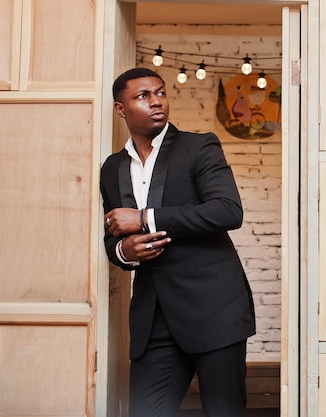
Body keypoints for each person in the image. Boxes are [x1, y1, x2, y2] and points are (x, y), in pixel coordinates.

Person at [100, 67, 256, 417]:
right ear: (120, 109)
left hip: (214, 310)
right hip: (153, 319)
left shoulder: (199, 147)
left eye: (160, 92)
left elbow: (228, 211)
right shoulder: (111, 168)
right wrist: (125, 251)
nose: (156, 101)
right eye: (143, 96)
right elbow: (113, 237)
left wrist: (143, 217)